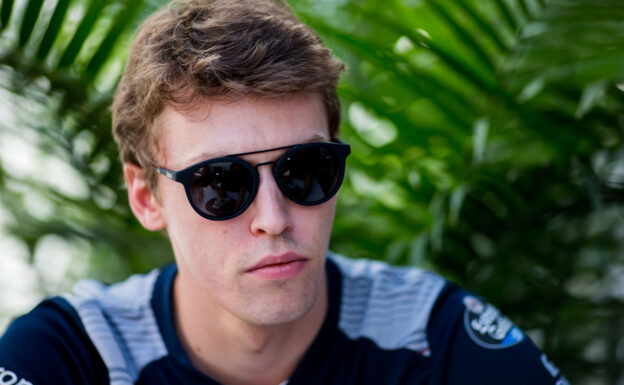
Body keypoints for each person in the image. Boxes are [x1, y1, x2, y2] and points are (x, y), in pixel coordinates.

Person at [0, 0, 568, 384]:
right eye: (220, 183)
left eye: (306, 169)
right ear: (146, 197)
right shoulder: (72, 356)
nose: (273, 217)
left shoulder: (432, 336)